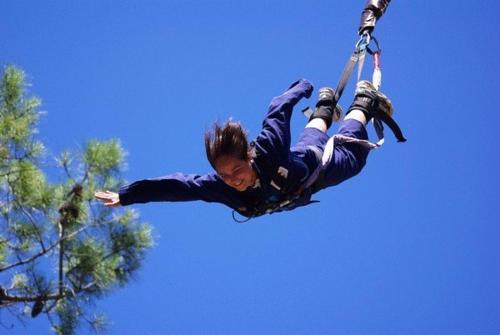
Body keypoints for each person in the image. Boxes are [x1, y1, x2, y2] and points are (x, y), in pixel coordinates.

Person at [95, 79, 394, 221]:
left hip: (318, 168)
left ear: (248, 157)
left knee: (353, 157)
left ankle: (363, 102)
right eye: (223, 175)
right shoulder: (220, 189)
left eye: (236, 170)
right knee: (310, 139)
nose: (232, 179)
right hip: (300, 164)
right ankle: (325, 108)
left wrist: (303, 87)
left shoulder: (267, 149)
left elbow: (277, 109)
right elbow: (177, 187)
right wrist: (127, 195)